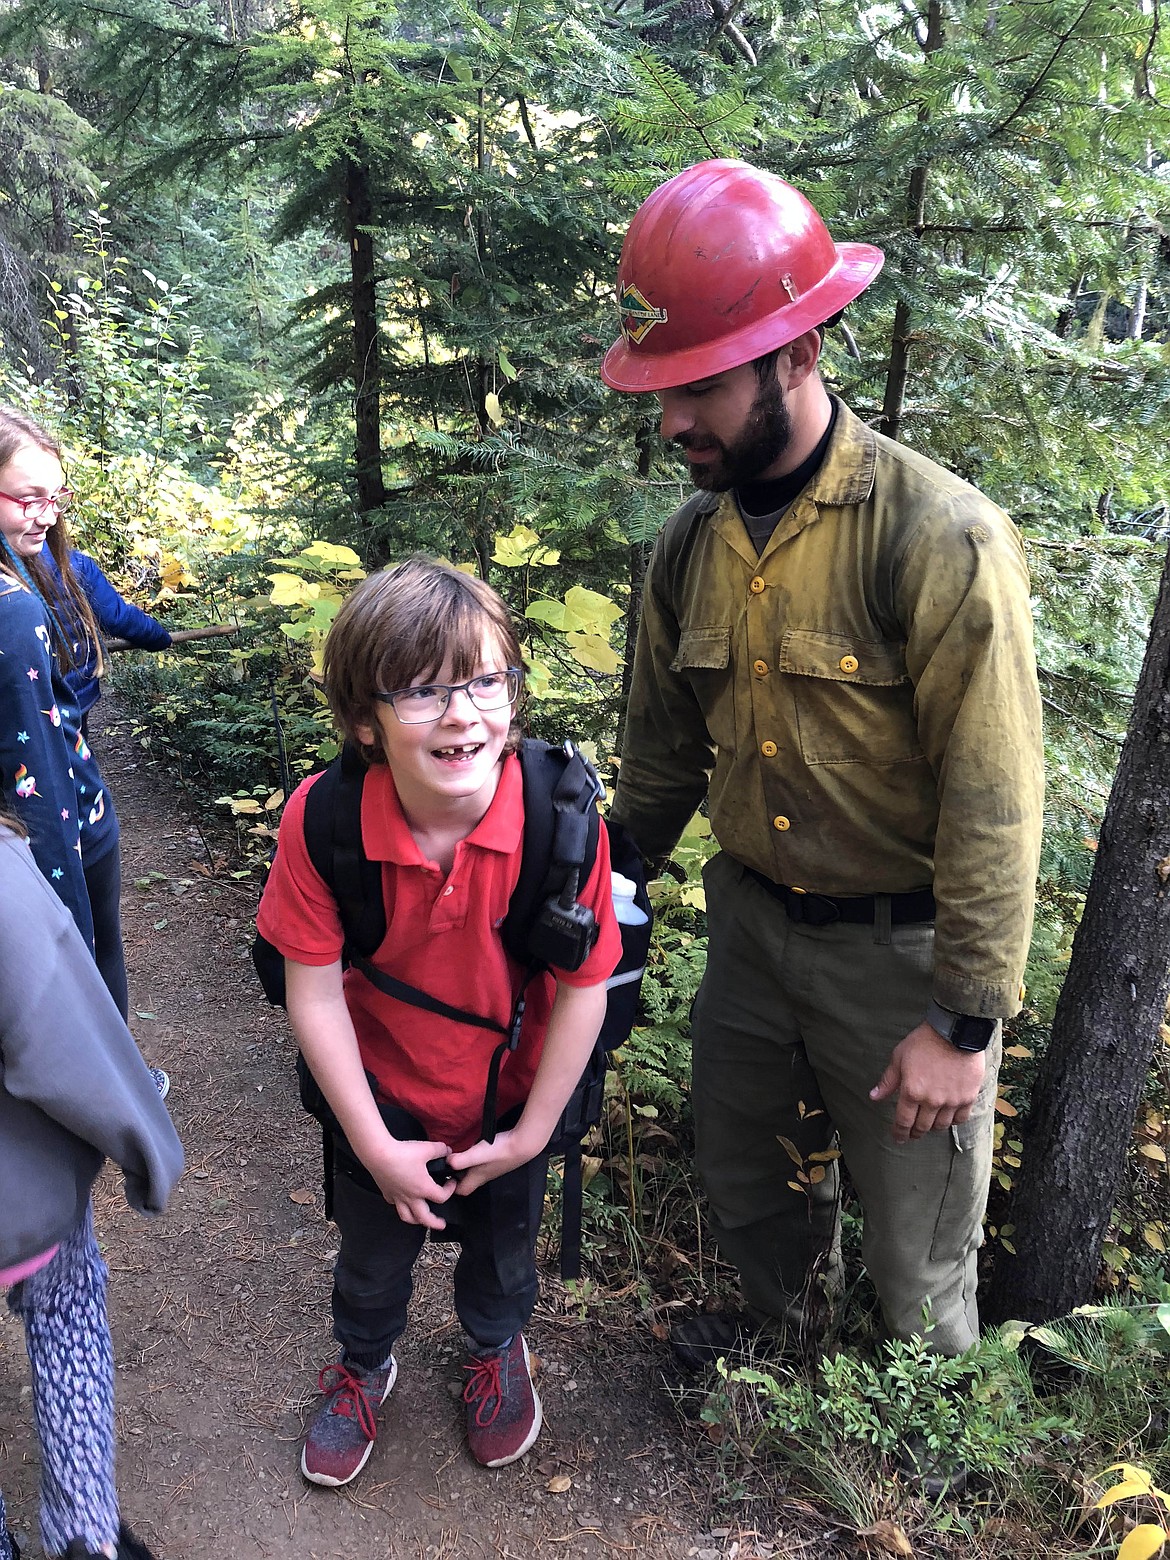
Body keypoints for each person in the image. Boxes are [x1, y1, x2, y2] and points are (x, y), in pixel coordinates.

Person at [601, 160, 1045, 1367]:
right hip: (750, 933)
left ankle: (920, 1456)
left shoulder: (934, 534)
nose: (672, 422)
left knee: (919, 1261)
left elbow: (996, 799)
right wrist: (576, 893)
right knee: (752, 1194)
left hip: (902, 960)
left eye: (696, 385)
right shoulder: (688, 544)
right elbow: (657, 769)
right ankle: (782, 1372)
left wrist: (961, 1024)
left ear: (796, 355)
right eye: (661, 388)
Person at [256, 557, 621, 1487]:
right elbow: (315, 989)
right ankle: (363, 1359)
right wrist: (373, 1143)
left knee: (504, 1251)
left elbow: (585, 983)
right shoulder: (324, 822)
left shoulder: (559, 817)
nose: (463, 715)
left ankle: (498, 1350)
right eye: (419, 692)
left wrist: (534, 1130)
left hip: (511, 1094)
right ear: (363, 720)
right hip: (382, 1099)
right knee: (373, 1257)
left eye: (485, 681)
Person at [0, 796, 184, 1560]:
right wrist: (147, 1150)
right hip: (20, 1207)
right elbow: (60, 1031)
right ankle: (85, 1534)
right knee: (66, 1317)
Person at [0, 408, 168, 1096]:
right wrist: (158, 637)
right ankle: (107, 1089)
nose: (44, 513)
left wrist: (151, 632)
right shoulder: (23, 602)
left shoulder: (60, 564)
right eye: (27, 496)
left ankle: (104, 1074)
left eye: (55, 496)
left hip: (65, 770)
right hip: (57, 812)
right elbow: (127, 623)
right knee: (85, 949)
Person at [63, 551, 172, 736]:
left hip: (16, 696)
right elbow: (116, 618)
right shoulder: (73, 564)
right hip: (68, 693)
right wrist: (159, 638)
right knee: (72, 753)